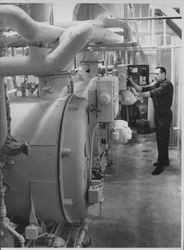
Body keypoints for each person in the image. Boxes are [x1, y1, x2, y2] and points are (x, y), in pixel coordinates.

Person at [128, 66, 173, 175]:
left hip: (164, 115)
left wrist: (138, 95)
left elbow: (150, 94)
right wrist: (131, 82)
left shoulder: (167, 85)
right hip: (158, 115)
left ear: (163, 74)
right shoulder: (156, 84)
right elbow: (142, 88)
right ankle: (165, 160)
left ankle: (160, 165)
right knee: (160, 139)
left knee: (162, 140)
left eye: (157, 74)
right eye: (155, 74)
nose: (155, 76)